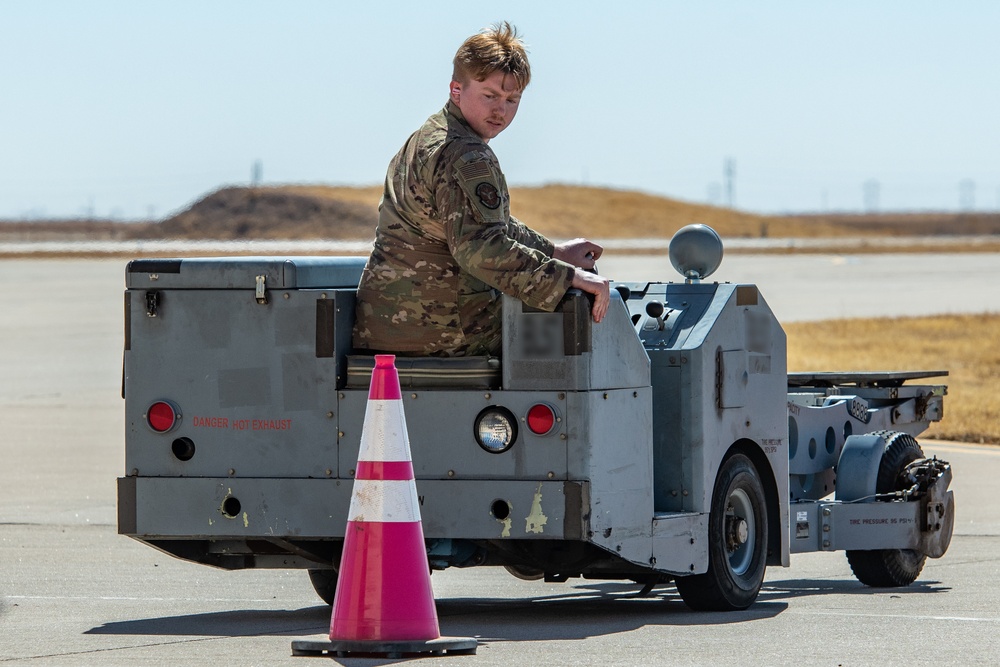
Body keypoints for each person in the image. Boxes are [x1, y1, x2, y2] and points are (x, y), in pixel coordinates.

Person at [353, 22, 610, 357]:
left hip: (384, 326)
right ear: (456, 90)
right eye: (489, 96)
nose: (500, 110)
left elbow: (485, 221)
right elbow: (480, 247)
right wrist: (565, 278)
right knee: (581, 337)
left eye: (511, 99)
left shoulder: (429, 135)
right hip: (445, 332)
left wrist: (554, 252)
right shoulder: (467, 154)